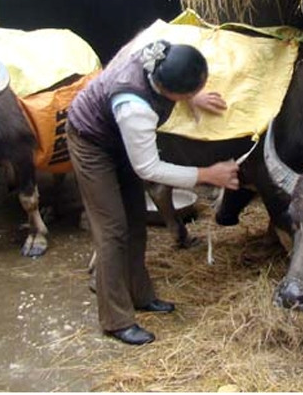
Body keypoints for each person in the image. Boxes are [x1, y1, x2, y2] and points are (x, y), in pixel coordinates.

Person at [66, 39, 240, 345]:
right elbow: (149, 168)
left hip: (121, 139)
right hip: (92, 142)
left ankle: (140, 294)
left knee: (136, 222)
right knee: (112, 231)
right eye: (185, 94)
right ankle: (116, 320)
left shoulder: (160, 54)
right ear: (167, 90)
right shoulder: (134, 108)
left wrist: (194, 97)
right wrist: (207, 175)